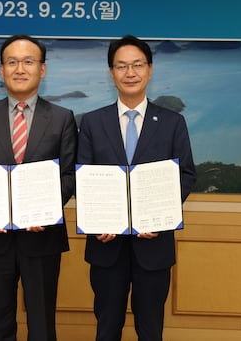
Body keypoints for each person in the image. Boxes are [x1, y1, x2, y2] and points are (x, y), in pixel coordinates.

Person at [77, 35, 196, 341]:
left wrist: (160, 216)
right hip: (106, 246)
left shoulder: (172, 122)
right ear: (111, 72)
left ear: (150, 70)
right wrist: (97, 222)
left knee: (150, 330)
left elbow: (186, 175)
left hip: (154, 246)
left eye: (137, 65)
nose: (130, 73)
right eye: (122, 66)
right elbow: (84, 178)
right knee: (107, 328)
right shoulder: (92, 122)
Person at [0, 34, 78, 341]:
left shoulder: (62, 118)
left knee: (42, 323)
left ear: (42, 69)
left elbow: (69, 175)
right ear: (1, 70)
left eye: (28, 61)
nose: (20, 69)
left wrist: (44, 211)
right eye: (12, 62)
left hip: (43, 237)